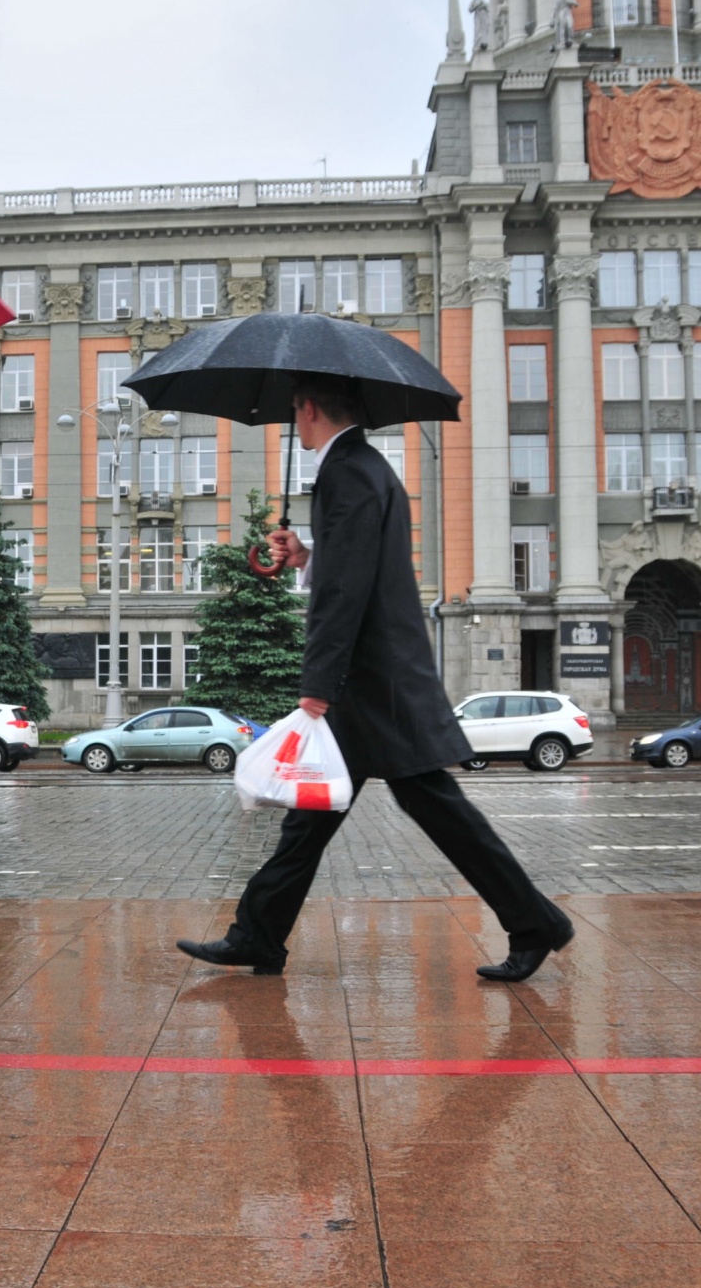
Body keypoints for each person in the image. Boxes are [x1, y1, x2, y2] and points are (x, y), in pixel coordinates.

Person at [178, 374, 574, 981]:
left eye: (294, 409)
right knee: (309, 819)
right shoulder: (364, 469)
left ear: (309, 408)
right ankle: (257, 934)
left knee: (437, 811)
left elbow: (347, 590)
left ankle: (537, 922)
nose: (294, 420)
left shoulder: (348, 473)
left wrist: (316, 681)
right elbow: (348, 568)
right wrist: (307, 556)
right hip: (372, 683)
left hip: (373, 685)